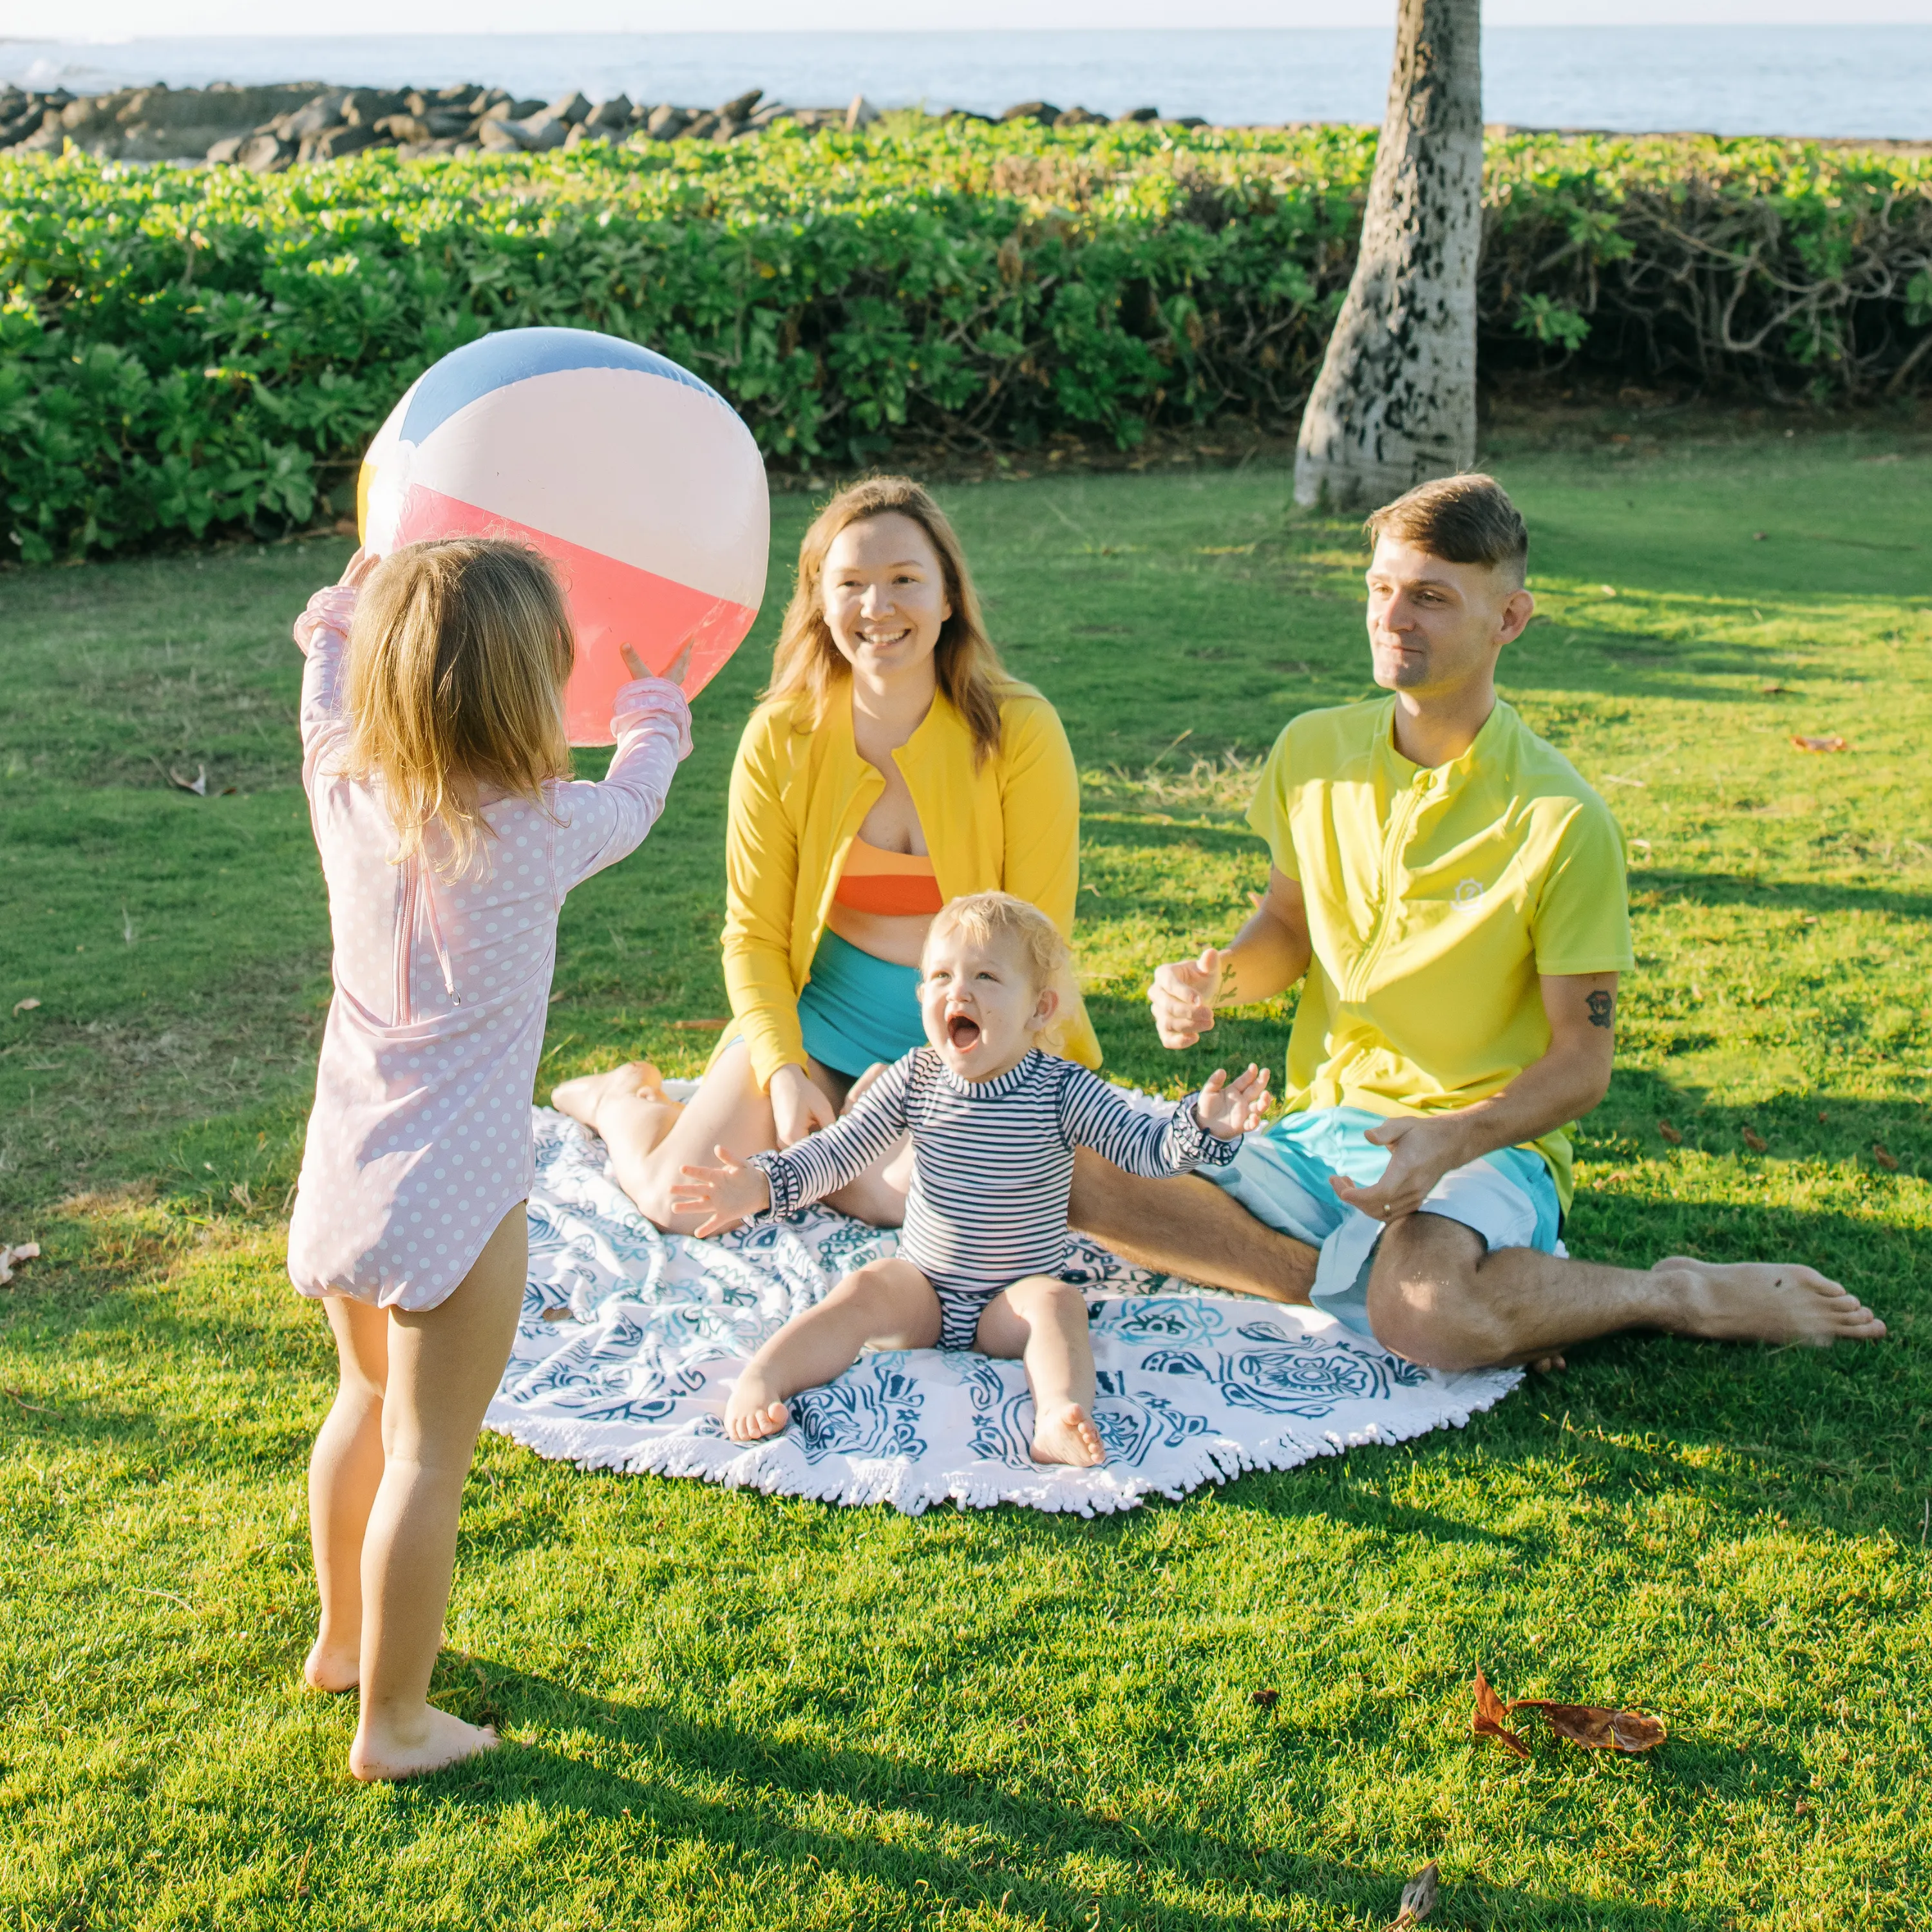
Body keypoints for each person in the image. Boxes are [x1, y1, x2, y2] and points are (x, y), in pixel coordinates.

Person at [1068, 473, 1887, 1371]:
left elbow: (1584, 1060)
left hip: (1481, 1148)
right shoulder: (1310, 751)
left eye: (1430, 597)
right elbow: (1289, 929)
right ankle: (1414, 1292)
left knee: (1424, 1314)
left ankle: (1675, 1291)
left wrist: (1455, 1136)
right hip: (1318, 1133)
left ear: (1510, 619)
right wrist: (1215, 977)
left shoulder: (1564, 822)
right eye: (1381, 589)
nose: (1392, 617)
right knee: (1068, 1166)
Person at [289, 540, 694, 1781]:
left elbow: (319, 691)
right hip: (460, 1198)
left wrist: (338, 621)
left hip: (345, 1181)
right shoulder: (545, 827)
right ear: (532, 687)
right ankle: (397, 1723)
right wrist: (658, 705)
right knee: (429, 1458)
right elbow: (638, 791)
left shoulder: (344, 789)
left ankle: (343, 1645)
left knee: (361, 1409)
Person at [553, 475, 1101, 1233]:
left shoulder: (1022, 732)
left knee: (938, 1210)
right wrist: (780, 1071)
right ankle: (621, 1100)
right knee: (675, 1199)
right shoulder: (779, 740)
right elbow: (753, 937)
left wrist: (942, 1087)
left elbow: (1041, 946)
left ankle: (845, 1137)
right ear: (821, 603)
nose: (878, 609)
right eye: (851, 585)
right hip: (815, 1027)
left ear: (948, 598)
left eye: (905, 580)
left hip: (978, 1040)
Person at [671, 893, 1269, 1466]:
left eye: (985, 978)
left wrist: (1203, 1125)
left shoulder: (1061, 1089)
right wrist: (759, 1184)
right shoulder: (916, 1077)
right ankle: (764, 1376)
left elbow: (1145, 1148)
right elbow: (838, 1153)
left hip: (1010, 1298)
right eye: (940, 977)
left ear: (1040, 1009)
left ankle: (1058, 1415)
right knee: (863, 1288)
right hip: (923, 1288)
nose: (959, 991)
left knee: (1059, 1305)